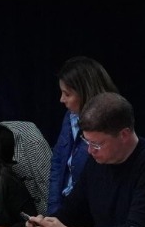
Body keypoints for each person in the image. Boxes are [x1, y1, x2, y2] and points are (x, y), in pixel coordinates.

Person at [26, 93, 145, 227]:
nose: (90, 150)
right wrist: (46, 225)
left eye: (97, 144)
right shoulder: (98, 160)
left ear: (124, 135)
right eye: (87, 141)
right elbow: (74, 208)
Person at [47, 56, 116, 215]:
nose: (61, 99)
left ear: (85, 92)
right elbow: (58, 162)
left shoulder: (112, 122)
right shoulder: (70, 116)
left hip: (91, 213)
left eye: (67, 94)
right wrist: (53, 213)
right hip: (66, 207)